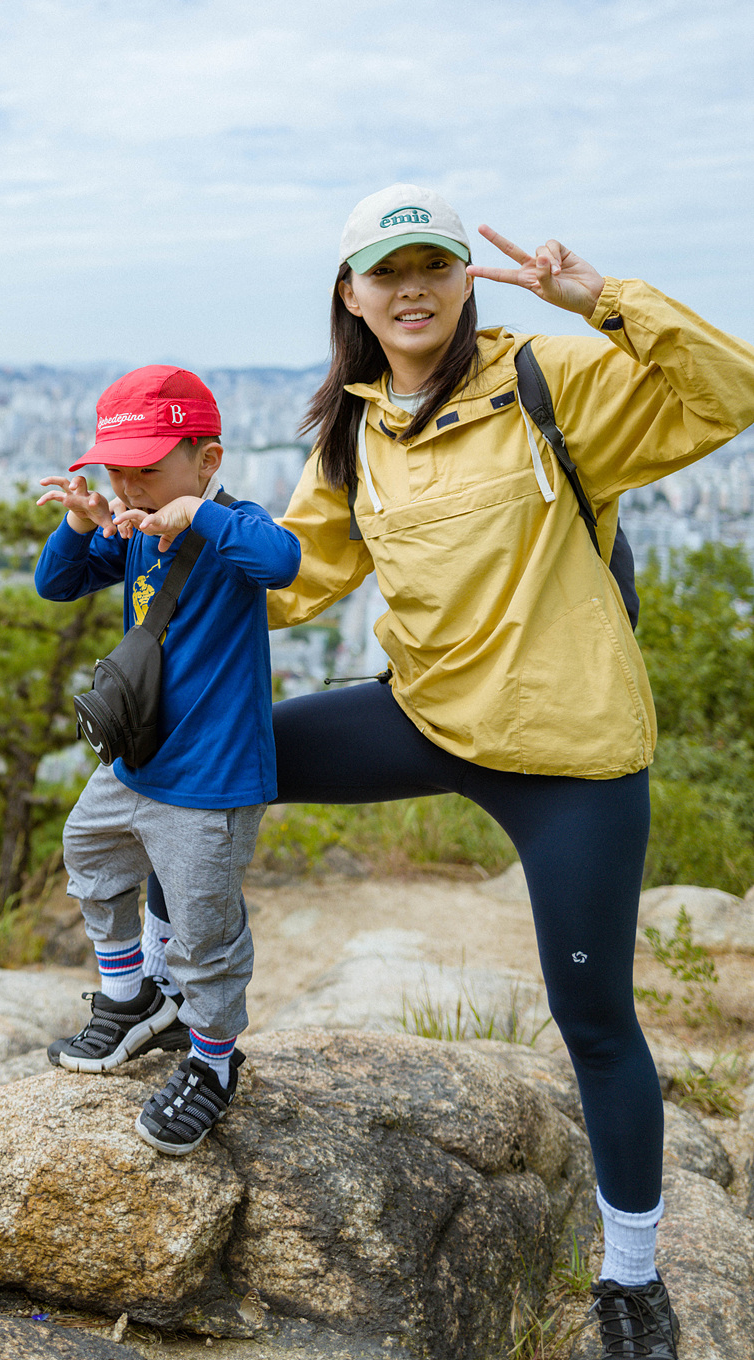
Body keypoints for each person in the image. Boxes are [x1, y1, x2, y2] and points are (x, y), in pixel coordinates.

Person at [243, 181, 754, 1360]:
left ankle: (631, 1274)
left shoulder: (543, 376)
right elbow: (293, 577)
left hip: (566, 749)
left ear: (464, 275)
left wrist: (603, 298)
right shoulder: (353, 428)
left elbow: (728, 390)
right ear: (350, 293)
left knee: (593, 1017)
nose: (411, 288)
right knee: (211, 759)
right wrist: (158, 545)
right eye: (386, 270)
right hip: (421, 712)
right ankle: (174, 1013)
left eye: (433, 262)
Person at [34, 363, 302, 1155]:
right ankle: (130, 998)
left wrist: (196, 516)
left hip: (211, 779)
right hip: (136, 760)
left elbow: (282, 562)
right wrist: (81, 522)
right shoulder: (135, 532)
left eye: (145, 470)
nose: (128, 486)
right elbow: (56, 583)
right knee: (89, 852)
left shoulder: (231, 528)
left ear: (206, 460)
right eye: (116, 470)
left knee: (203, 933)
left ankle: (212, 1063)